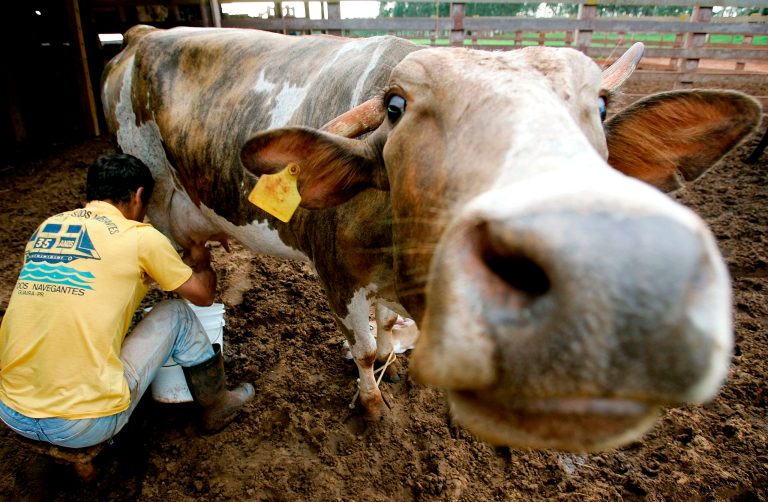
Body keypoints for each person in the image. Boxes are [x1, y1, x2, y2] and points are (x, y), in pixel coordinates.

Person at [0, 153, 254, 448]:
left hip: (10, 409)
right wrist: (202, 262)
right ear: (139, 196)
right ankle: (218, 404)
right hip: (82, 424)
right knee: (177, 313)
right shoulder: (140, 238)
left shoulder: (48, 228)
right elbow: (203, 296)